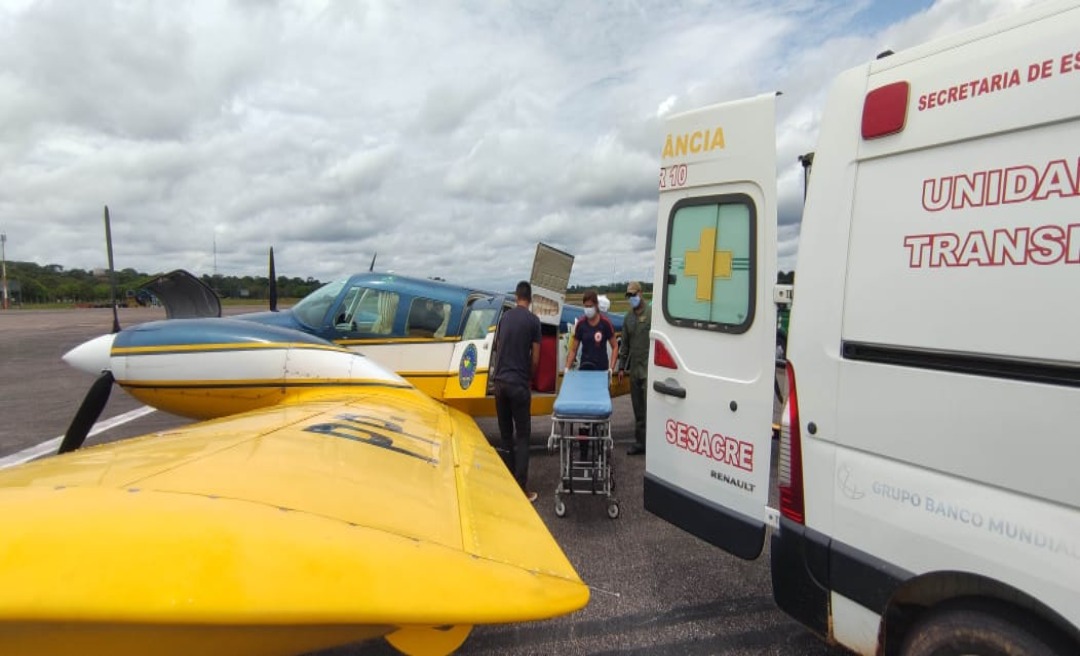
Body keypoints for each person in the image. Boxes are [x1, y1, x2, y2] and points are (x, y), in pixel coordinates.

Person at [492, 281, 542, 502]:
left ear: (515, 296)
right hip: (518, 385)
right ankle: (522, 490)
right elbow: (537, 359)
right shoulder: (533, 321)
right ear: (529, 299)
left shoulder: (504, 319)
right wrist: (528, 377)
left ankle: (507, 486)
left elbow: (498, 347)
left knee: (505, 437)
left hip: (499, 384)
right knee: (522, 437)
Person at [617, 281, 651, 455]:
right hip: (635, 371)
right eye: (629, 296)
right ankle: (640, 442)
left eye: (633, 295)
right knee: (638, 408)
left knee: (650, 409)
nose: (631, 298)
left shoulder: (652, 313)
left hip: (650, 370)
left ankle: (653, 444)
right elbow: (625, 346)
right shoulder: (628, 318)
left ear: (641, 293)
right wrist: (621, 367)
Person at [564, 289, 618, 374]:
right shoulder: (580, 324)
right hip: (585, 369)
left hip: (602, 370)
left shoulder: (605, 323)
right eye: (586, 306)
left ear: (596, 305)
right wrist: (567, 368)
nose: (588, 309)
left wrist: (611, 368)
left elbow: (615, 346)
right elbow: (573, 350)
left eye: (590, 306)